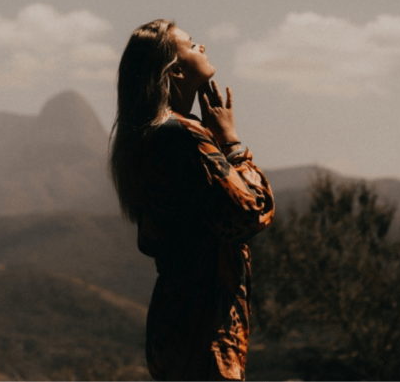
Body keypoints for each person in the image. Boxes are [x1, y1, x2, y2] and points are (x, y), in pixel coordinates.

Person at [109, 19, 275, 381]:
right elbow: (250, 213)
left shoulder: (150, 139)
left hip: (177, 324)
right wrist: (232, 143)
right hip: (204, 329)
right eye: (191, 44)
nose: (201, 46)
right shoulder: (181, 137)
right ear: (175, 69)